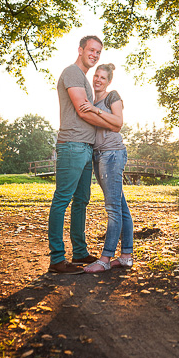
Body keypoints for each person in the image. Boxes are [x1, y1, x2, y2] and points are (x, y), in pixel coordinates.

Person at [46, 35, 108, 274]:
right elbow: (83, 111)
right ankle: (57, 259)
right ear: (80, 50)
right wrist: (111, 123)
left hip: (85, 147)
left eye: (98, 52)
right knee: (62, 200)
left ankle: (80, 252)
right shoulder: (72, 72)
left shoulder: (84, 79)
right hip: (72, 145)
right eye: (91, 50)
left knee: (81, 201)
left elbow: (87, 109)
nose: (94, 55)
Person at [81, 63, 134, 273]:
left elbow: (118, 123)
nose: (98, 80)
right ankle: (126, 256)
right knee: (121, 208)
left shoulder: (112, 96)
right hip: (99, 155)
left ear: (109, 81)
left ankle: (105, 259)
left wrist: (95, 111)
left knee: (113, 209)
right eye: (96, 76)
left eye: (103, 77)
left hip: (112, 154)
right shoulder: (89, 98)